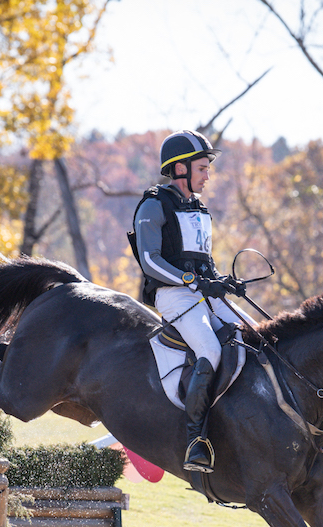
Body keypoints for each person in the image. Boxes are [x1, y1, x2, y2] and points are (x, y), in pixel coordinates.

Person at [130, 129, 244, 474]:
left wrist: (222, 281)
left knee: (247, 335)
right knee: (210, 349)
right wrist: (190, 280)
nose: (208, 175)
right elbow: (149, 260)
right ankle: (196, 440)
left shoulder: (198, 208)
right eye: (203, 167)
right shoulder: (154, 203)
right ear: (180, 168)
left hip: (200, 291)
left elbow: (203, 260)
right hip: (174, 294)